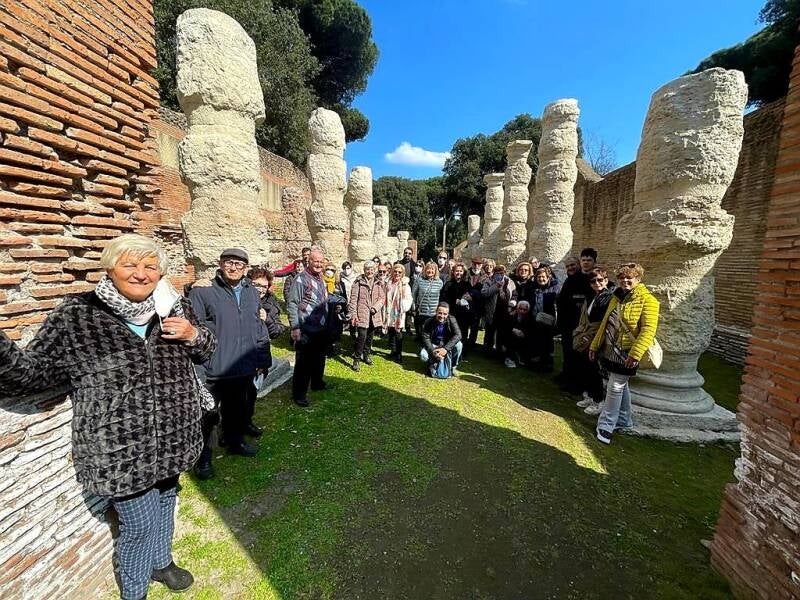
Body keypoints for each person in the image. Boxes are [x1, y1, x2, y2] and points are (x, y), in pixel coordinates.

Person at [0, 234, 216, 600]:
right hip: (121, 451)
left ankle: (161, 562)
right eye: (129, 265)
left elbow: (207, 350)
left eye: (150, 266)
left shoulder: (172, 307)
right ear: (109, 267)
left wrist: (194, 335)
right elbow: (33, 373)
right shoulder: (78, 315)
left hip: (175, 436)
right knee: (139, 526)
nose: (140, 274)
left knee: (168, 498)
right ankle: (135, 592)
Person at [189, 249, 272, 473]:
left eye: (238, 264)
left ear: (246, 268)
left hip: (241, 365)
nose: (233, 267)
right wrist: (199, 365)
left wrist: (260, 358)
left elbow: (257, 326)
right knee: (207, 416)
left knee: (236, 411)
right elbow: (192, 328)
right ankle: (203, 458)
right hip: (214, 367)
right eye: (229, 263)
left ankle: (235, 442)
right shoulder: (203, 291)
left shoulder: (251, 293)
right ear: (220, 264)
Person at [589, 263, 659, 445]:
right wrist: (594, 346)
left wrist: (635, 354)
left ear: (638, 279)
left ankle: (606, 425)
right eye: (621, 278)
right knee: (621, 385)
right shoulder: (616, 297)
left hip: (627, 352)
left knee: (615, 387)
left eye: (630, 277)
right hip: (610, 348)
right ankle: (624, 419)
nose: (625, 281)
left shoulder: (648, 301)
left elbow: (648, 330)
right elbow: (605, 323)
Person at [286, 248, 330, 407]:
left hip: (321, 327)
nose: (318, 264)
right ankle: (299, 395)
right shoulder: (301, 279)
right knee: (303, 363)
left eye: (321, 261)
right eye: (315, 261)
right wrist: (295, 327)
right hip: (306, 327)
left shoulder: (320, 277)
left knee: (319, 358)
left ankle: (317, 383)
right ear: (308, 261)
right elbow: (292, 304)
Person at [577, 268, 615, 415]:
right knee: (588, 367)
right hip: (589, 335)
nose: (596, 283)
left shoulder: (608, 297)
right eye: (593, 281)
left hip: (599, 337)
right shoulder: (595, 295)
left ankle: (599, 401)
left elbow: (604, 320)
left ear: (606, 280)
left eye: (600, 280)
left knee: (596, 371)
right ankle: (592, 397)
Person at [555, 252, 595, 392]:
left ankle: (575, 383)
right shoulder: (570, 280)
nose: (570, 268)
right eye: (568, 266)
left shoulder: (587, 279)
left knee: (577, 354)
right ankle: (567, 376)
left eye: (572, 265)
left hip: (579, 324)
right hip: (567, 323)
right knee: (568, 352)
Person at [347, 260, 386, 371]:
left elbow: (382, 298)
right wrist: (353, 314)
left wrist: (375, 307)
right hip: (361, 313)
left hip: (373, 314)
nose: (370, 271)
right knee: (361, 337)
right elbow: (353, 299)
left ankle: (366, 354)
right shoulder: (358, 282)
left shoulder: (378, 283)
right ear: (364, 270)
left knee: (370, 337)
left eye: (372, 269)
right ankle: (356, 359)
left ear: (375, 271)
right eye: (367, 269)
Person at [528, 266, 559, 371]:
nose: (541, 279)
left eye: (543, 277)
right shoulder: (534, 288)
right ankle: (535, 363)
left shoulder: (554, 288)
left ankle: (547, 364)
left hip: (547, 320)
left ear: (548, 277)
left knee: (547, 343)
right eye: (539, 277)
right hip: (534, 319)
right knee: (535, 341)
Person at [420, 301, 462, 376]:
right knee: (423, 356)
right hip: (433, 345)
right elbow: (425, 338)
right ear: (436, 312)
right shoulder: (429, 321)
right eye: (440, 313)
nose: (442, 316)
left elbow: (458, 335)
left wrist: (445, 349)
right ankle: (432, 364)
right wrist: (433, 351)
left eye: (445, 314)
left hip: (446, 344)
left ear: (448, 314)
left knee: (459, 345)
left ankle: (453, 366)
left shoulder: (452, 320)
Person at [481, 264, 515, 354]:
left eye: (502, 273)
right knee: (489, 332)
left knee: (501, 333)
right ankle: (487, 350)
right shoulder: (489, 281)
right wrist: (496, 286)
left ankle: (499, 351)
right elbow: (484, 293)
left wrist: (512, 303)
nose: (499, 275)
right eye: (497, 273)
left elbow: (514, 294)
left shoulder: (509, 281)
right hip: (492, 311)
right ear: (494, 273)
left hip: (504, 311)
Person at [440, 263, 472, 355]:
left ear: (464, 272)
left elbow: (470, 297)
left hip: (463, 314)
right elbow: (444, 298)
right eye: (457, 271)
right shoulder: (448, 284)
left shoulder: (466, 284)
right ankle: (449, 350)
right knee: (451, 332)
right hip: (452, 313)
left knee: (463, 333)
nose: (459, 273)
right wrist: (455, 301)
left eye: (461, 271)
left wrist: (469, 297)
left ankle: (462, 353)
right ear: (453, 272)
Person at [385, 262, 413, 362]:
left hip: (399, 311)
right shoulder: (388, 283)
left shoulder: (405, 285)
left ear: (402, 274)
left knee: (398, 332)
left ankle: (399, 353)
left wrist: (402, 307)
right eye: (395, 271)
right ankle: (393, 350)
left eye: (399, 272)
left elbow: (408, 298)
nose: (397, 274)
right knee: (391, 331)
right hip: (389, 310)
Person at [249, 266, 287, 340]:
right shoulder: (237, 299)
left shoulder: (270, 304)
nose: (260, 290)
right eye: (256, 285)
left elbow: (277, 331)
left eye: (264, 287)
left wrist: (267, 319)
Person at [411, 261, 444, 342]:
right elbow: (413, 295)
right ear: (425, 270)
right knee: (421, 331)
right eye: (428, 269)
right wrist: (413, 308)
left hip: (433, 311)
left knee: (431, 332)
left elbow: (441, 298)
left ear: (435, 271)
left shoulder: (440, 282)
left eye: (432, 269)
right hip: (421, 311)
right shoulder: (419, 280)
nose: (430, 271)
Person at [463, 257, 486, 356]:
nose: (476, 266)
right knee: (464, 326)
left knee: (474, 327)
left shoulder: (484, 276)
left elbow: (484, 292)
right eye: (475, 264)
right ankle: (463, 344)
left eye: (479, 264)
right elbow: (462, 286)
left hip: (477, 306)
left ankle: (471, 345)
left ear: (481, 265)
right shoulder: (466, 273)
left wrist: (472, 295)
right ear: (472, 264)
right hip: (465, 305)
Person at [502, 300, 535, 368]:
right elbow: (505, 327)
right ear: (517, 308)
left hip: (524, 338)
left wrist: (523, 333)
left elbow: (531, 330)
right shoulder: (511, 315)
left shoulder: (530, 318)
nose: (522, 311)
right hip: (511, 337)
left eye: (524, 310)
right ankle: (509, 358)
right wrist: (513, 330)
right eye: (520, 309)